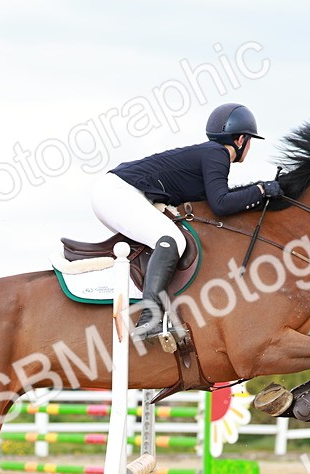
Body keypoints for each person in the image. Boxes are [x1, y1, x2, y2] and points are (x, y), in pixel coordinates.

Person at [92, 102, 285, 340]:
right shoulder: (218, 154)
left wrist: (258, 192)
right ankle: (149, 317)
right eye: (250, 141)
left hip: (117, 192)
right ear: (241, 140)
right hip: (117, 193)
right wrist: (261, 190)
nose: (249, 146)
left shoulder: (209, 154)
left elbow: (214, 204)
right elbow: (221, 204)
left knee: (168, 236)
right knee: (172, 239)